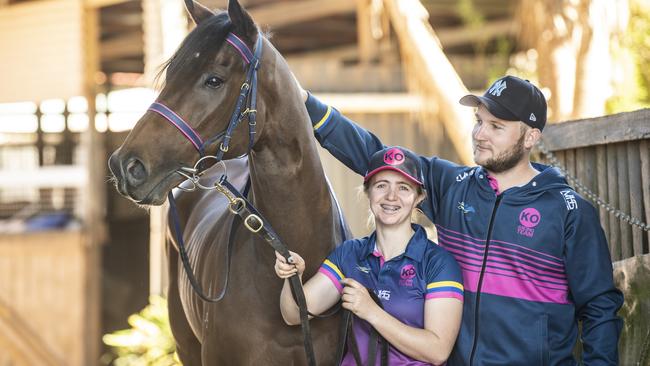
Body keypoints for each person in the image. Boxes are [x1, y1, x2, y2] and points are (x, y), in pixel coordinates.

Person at [299, 75, 624, 365]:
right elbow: (372, 152)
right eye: (478, 121)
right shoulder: (453, 186)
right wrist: (305, 103)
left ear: (530, 137)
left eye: (495, 126)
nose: (480, 134)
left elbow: (599, 308)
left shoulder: (568, 211)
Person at [275, 146, 464, 365]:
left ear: (418, 198)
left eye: (403, 188)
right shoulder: (350, 253)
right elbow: (295, 315)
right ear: (368, 192)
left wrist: (371, 311)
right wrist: (293, 278)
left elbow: (438, 351)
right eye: (381, 185)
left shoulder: (439, 263)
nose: (391, 196)